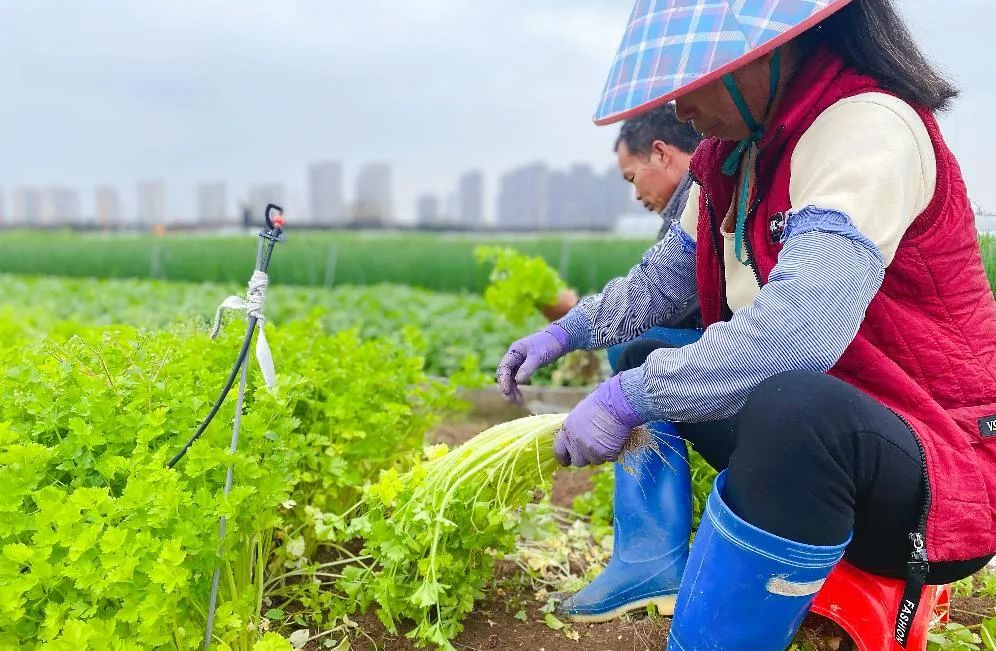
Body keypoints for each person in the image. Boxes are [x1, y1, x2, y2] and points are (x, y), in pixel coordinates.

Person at [497, 1, 996, 649]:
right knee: (650, 353)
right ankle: (648, 566)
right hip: (837, 437)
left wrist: (630, 397)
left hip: (938, 464)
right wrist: (566, 333)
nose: (680, 109)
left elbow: (799, 331)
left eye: (693, 82)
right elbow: (660, 283)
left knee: (789, 404)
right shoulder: (732, 159)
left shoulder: (867, 127)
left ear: (764, 53)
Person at [542, 102, 702, 328]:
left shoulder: (698, 203)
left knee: (634, 343)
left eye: (632, 178)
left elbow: (662, 305)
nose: (636, 195)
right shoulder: (691, 204)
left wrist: (575, 312)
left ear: (660, 154)